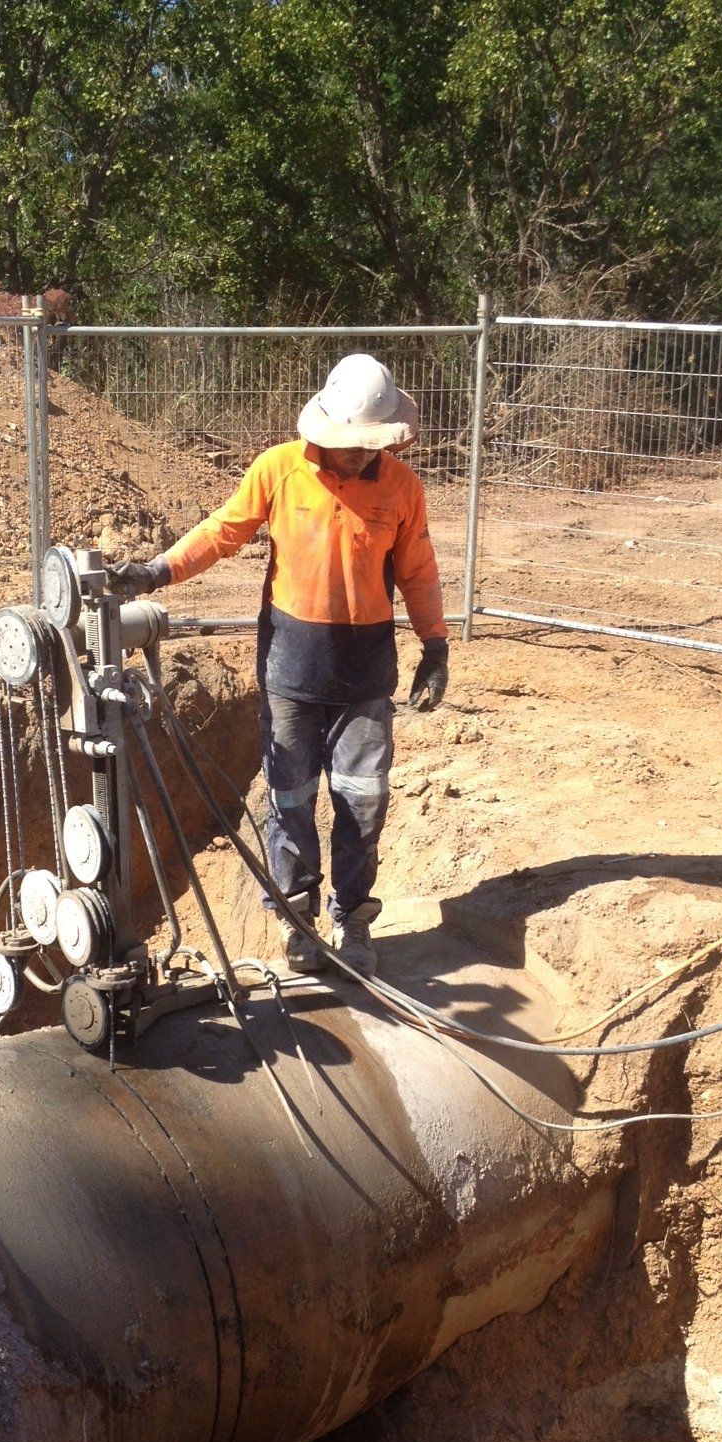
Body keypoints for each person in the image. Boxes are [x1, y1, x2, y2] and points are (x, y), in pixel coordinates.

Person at [113, 352, 448, 977]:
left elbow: (418, 570)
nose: (356, 454)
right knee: (290, 797)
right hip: (292, 664)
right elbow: (223, 531)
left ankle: (352, 920)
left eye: (367, 445)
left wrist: (434, 644)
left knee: (363, 798)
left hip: (364, 670)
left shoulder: (402, 488)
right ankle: (297, 922)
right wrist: (158, 571)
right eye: (348, 443)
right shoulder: (280, 470)